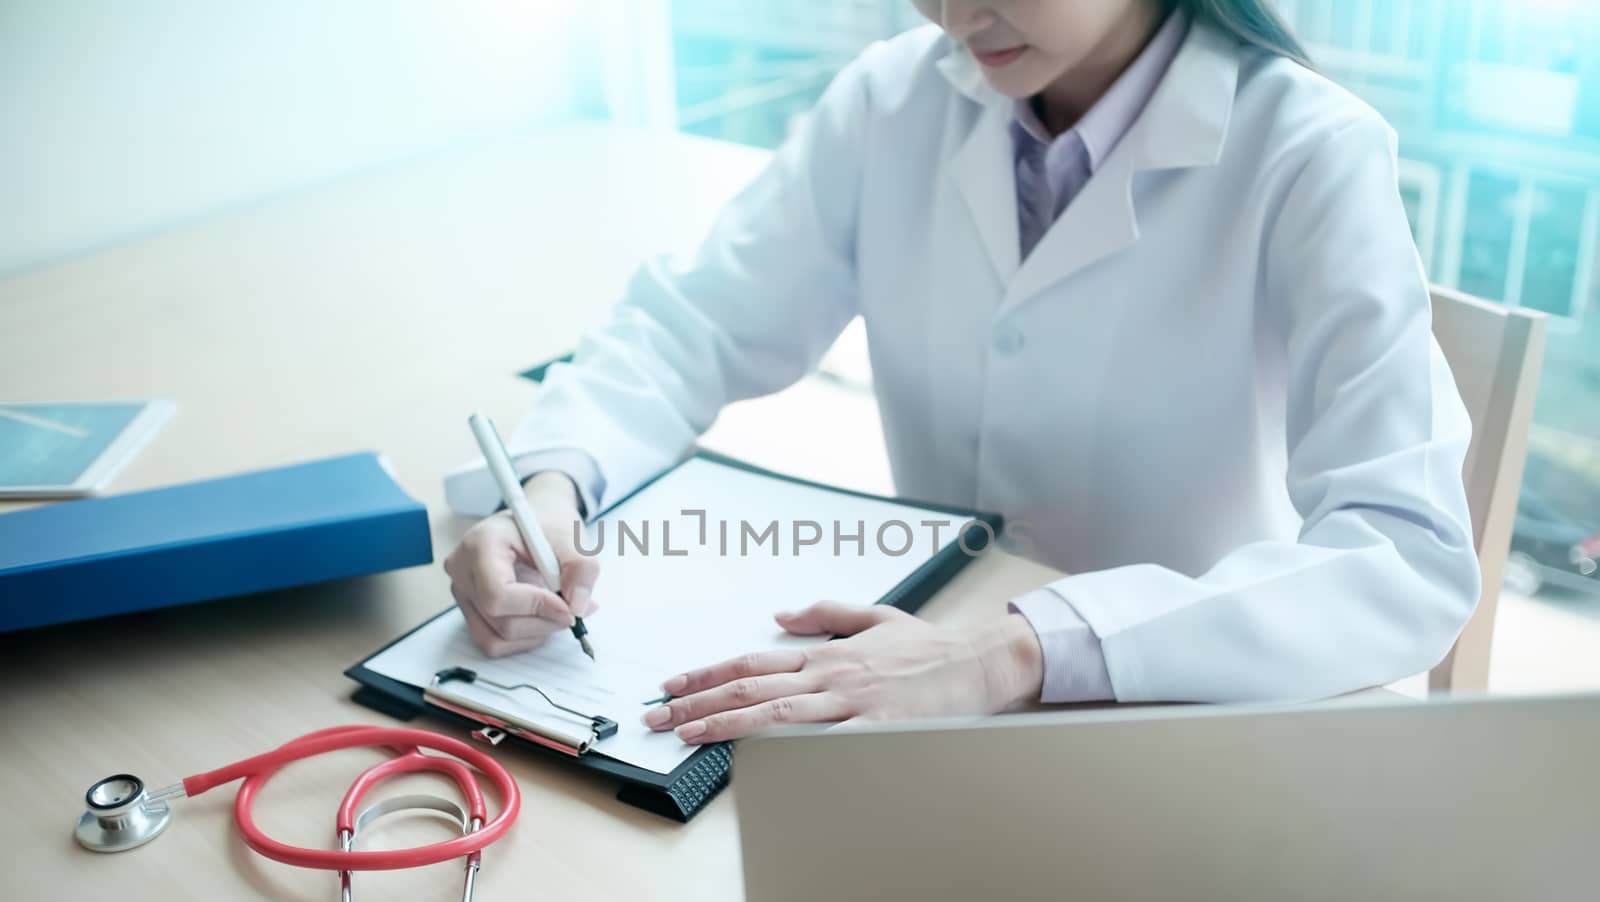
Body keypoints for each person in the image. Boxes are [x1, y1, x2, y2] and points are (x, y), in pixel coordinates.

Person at [443, 0, 1481, 745]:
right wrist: (551, 486)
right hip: (910, 681)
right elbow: (690, 325)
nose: (948, 12)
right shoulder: (891, 100)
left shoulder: (1311, 151)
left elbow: (1402, 559)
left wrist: (1007, 651)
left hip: (1182, 710)